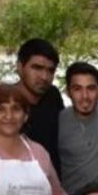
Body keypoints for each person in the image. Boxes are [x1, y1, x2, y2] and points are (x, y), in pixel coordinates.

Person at [58, 61, 98, 195]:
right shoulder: (57, 121)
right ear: (68, 92)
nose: (85, 97)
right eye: (77, 89)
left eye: (91, 88)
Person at [14, 38, 64, 174]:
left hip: (52, 186)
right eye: (37, 68)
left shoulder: (53, 96)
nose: (44, 77)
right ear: (20, 67)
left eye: (50, 70)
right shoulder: (2, 104)